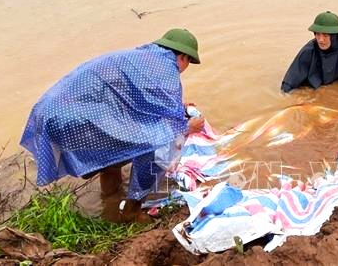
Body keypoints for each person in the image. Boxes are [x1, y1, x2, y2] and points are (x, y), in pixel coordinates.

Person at [20, 28, 204, 221]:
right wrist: (188, 127)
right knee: (155, 148)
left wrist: (176, 107)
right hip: (75, 118)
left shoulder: (141, 57)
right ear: (183, 57)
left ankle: (111, 201)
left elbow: (137, 99)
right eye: (189, 62)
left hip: (49, 110)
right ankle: (132, 211)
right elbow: (165, 133)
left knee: (115, 151)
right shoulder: (167, 69)